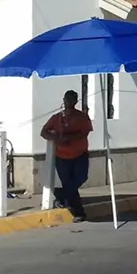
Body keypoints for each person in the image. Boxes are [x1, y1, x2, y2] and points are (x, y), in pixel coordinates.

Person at [41, 90, 93, 222]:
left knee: (81, 178)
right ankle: (78, 213)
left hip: (80, 154)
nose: (68, 102)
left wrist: (69, 138)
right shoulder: (56, 118)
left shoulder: (82, 117)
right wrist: (57, 138)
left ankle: (60, 194)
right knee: (68, 183)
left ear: (75, 101)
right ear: (63, 100)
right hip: (62, 156)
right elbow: (44, 132)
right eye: (66, 99)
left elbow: (85, 133)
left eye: (71, 99)